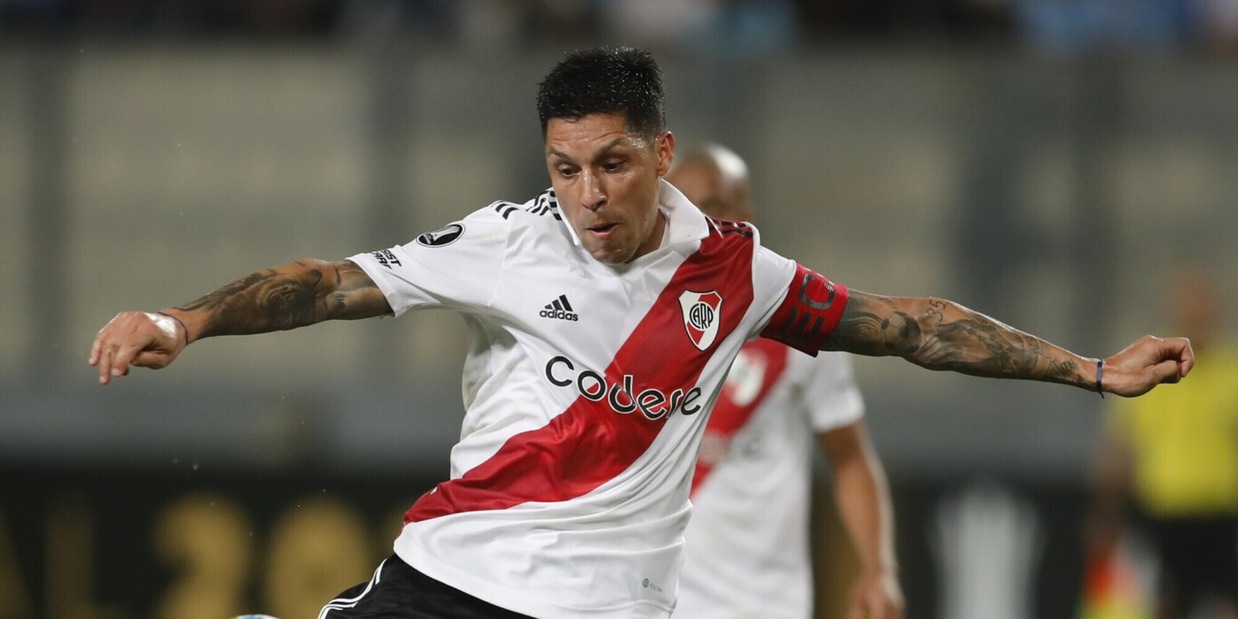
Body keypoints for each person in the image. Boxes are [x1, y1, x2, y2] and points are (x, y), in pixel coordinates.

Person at [89, 47, 1194, 619]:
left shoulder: (737, 271)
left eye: (611, 163)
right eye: (564, 167)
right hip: (459, 578)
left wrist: (1090, 369)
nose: (586, 194)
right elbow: (328, 285)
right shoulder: (506, 239)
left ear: (661, 153)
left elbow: (912, 327)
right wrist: (182, 319)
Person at [666, 144, 902, 619]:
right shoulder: (638, 324)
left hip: (766, 604)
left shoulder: (801, 323)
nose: (698, 224)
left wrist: (879, 568)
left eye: (713, 207)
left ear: (746, 216)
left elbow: (850, 457)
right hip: (658, 603)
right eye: (680, 211)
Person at [1087, 266, 1237, 619]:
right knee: (1165, 605)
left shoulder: (1231, 373)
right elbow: (1122, 448)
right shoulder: (1154, 374)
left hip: (1222, 514)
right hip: (1165, 515)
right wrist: (1107, 510)